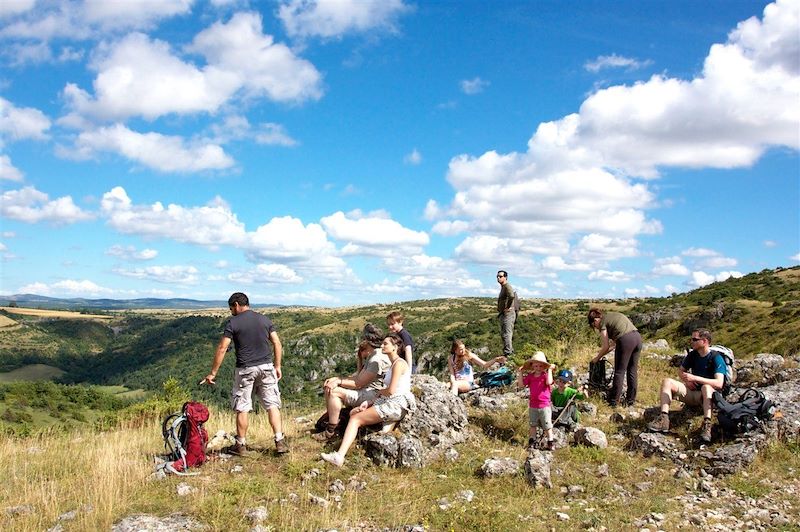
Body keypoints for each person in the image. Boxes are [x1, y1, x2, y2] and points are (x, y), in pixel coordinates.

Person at [201, 292, 288, 455]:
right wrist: (278, 365)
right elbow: (277, 342)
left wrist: (213, 373)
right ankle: (279, 441)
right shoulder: (264, 319)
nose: (230, 311)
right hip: (267, 367)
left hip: (246, 369)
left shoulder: (233, 323)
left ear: (236, 304)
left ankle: (241, 445)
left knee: (242, 407)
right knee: (272, 405)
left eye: (230, 308)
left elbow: (222, 348)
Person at [321, 334, 415, 467]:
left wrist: (377, 394)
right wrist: (369, 402)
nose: (382, 346)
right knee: (353, 413)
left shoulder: (399, 364)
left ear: (395, 347)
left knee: (355, 419)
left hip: (395, 404)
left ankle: (339, 456)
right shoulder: (393, 364)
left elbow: (391, 390)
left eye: (385, 344)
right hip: (390, 402)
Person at [647, 329, 724, 443]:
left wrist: (695, 378)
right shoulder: (693, 355)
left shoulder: (716, 357)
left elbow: (719, 383)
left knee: (706, 387)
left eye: (695, 339)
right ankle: (664, 418)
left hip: (705, 396)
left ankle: (707, 424)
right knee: (667, 381)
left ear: (704, 341)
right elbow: (681, 371)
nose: (691, 342)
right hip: (692, 392)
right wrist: (687, 381)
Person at [313, 333, 391, 442]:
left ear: (368, 340)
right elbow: (359, 377)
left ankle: (331, 432)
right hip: (368, 390)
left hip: (371, 394)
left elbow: (358, 383)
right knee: (331, 386)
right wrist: (337, 379)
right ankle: (332, 422)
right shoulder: (374, 355)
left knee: (333, 391)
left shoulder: (376, 359)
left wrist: (338, 381)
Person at [587, 308, 642, 407]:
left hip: (625, 340)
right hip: (637, 338)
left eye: (594, 326)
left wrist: (597, 358)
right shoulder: (612, 316)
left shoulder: (603, 323)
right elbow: (612, 345)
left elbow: (606, 346)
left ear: (595, 320)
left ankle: (614, 401)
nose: (596, 328)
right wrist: (602, 354)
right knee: (632, 370)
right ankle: (630, 400)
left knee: (619, 372)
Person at [517, 351, 556, 451]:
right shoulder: (530, 376)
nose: (537, 368)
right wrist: (520, 372)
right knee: (532, 424)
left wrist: (550, 370)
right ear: (532, 366)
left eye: (540, 366)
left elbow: (549, 382)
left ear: (543, 367)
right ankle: (532, 440)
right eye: (535, 366)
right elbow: (521, 385)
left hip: (544, 405)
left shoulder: (544, 375)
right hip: (533, 404)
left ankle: (550, 441)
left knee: (547, 425)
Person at [496, 270, 517, 357]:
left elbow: (511, 296)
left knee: (506, 334)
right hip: (505, 314)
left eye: (500, 276)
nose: (498, 278)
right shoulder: (503, 287)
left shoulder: (507, 286)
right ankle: (508, 352)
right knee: (505, 333)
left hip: (508, 314)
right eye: (497, 276)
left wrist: (508, 307)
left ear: (505, 277)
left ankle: (508, 354)